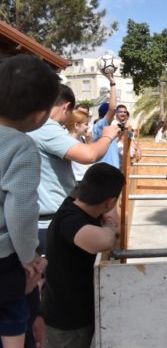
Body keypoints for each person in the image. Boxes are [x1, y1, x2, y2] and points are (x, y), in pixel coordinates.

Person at [0, 54, 56, 348]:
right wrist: (28, 256)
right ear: (39, 116)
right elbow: (20, 211)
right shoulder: (21, 147)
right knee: (14, 312)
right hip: (4, 259)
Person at [28, 84, 120, 254]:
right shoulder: (46, 127)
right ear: (66, 107)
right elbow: (89, 155)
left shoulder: (29, 124)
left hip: (39, 219)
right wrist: (108, 135)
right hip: (50, 221)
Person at [42, 163, 124, 348]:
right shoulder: (70, 220)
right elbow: (106, 240)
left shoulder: (73, 204)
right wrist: (109, 226)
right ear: (110, 202)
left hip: (69, 314)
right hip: (67, 323)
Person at [65, 109, 91, 183]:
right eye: (86, 124)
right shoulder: (67, 141)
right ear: (76, 125)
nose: (88, 127)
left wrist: (88, 141)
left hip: (84, 178)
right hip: (75, 180)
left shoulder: (81, 138)